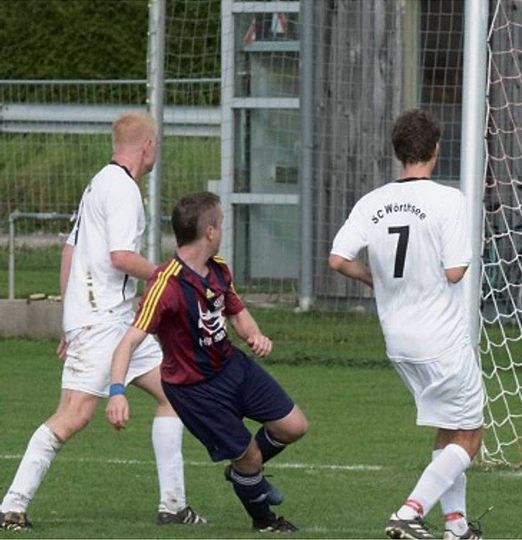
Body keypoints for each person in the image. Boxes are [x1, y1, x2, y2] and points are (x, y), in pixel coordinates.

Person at [0, 112, 205, 531]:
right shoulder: (124, 190)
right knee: (73, 414)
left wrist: (67, 319)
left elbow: (70, 251)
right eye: (156, 145)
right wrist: (172, 276)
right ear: (147, 146)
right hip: (102, 322)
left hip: (113, 321)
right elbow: (121, 257)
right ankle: (11, 507)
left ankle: (173, 505)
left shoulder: (99, 182)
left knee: (176, 394)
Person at [104, 191, 308, 532]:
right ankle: (265, 521)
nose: (223, 230)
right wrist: (116, 392)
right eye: (221, 223)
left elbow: (236, 312)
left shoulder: (218, 268)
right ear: (210, 232)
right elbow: (128, 342)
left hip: (233, 367)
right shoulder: (165, 285)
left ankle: (243, 473)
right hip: (194, 389)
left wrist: (255, 335)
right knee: (250, 457)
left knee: (294, 426)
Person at [329, 109, 486, 540]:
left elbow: (338, 259)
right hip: (440, 339)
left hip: (398, 339)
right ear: (436, 149)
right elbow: (454, 271)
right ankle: (409, 512)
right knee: (470, 434)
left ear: (397, 152)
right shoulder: (448, 200)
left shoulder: (372, 202)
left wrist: (375, 279)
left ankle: (456, 526)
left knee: (448, 427)